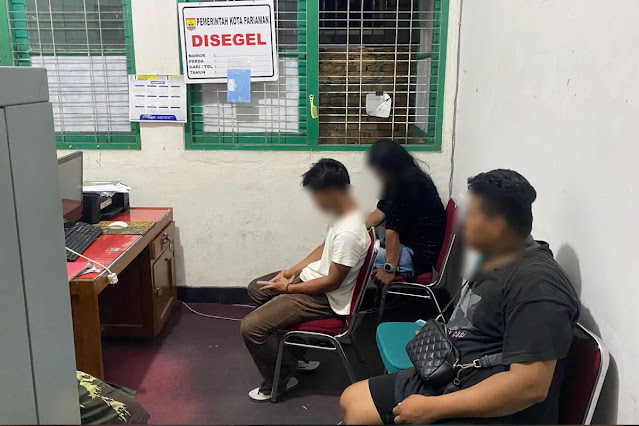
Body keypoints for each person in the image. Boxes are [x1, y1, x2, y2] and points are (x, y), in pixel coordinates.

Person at [340, 169, 580, 425]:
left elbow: (529, 386)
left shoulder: (538, 285)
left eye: (470, 216)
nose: (462, 224)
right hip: (451, 372)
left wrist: (434, 408)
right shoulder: (499, 257)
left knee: (359, 416)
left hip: (487, 405)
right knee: (350, 399)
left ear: (497, 224)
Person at [241, 158, 371, 402]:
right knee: (256, 289)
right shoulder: (343, 215)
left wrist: (289, 289)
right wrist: (293, 270)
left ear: (332, 192)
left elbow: (332, 282)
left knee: (251, 327)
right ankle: (292, 352)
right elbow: (325, 248)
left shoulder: (350, 232)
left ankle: (283, 375)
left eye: (317, 194)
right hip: (313, 282)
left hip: (324, 298)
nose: (315, 201)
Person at [365, 139, 446, 286]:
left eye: (377, 169)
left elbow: (393, 230)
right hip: (407, 248)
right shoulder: (398, 178)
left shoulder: (409, 183)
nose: (376, 174)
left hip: (415, 258)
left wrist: (389, 269)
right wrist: (349, 229)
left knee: (352, 253)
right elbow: (377, 215)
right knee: (347, 245)